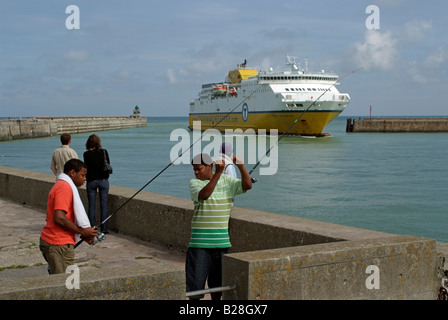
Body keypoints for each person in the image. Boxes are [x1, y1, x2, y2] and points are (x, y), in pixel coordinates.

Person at [186, 153, 252, 300]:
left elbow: (247, 185)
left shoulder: (227, 181)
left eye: (199, 169)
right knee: (194, 291)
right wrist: (219, 173)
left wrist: (241, 167)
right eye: (194, 170)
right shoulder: (194, 183)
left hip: (221, 244)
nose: (196, 173)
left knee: (218, 289)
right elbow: (204, 195)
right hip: (199, 245)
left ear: (209, 166)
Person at [40, 159, 97, 274]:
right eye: (82, 175)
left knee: (69, 281)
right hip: (57, 243)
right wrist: (82, 231)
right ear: (72, 173)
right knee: (64, 284)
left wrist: (83, 233)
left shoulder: (63, 185)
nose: (84, 179)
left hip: (60, 242)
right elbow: (59, 218)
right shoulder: (64, 188)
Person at [83, 134, 111, 233]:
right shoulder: (104, 152)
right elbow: (108, 165)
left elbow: (86, 168)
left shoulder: (86, 154)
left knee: (92, 205)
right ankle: (104, 229)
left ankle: (92, 228)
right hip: (103, 180)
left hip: (91, 181)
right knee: (104, 205)